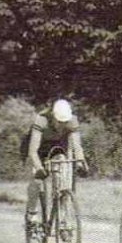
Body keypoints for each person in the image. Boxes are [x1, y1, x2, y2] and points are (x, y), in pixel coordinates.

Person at [23, 99, 88, 231]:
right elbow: (32, 151)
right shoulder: (41, 120)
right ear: (53, 116)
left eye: (65, 122)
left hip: (57, 148)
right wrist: (39, 168)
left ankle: (63, 217)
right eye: (59, 122)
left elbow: (77, 146)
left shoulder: (72, 120)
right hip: (38, 149)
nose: (62, 125)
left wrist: (81, 162)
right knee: (36, 180)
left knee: (64, 179)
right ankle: (31, 214)